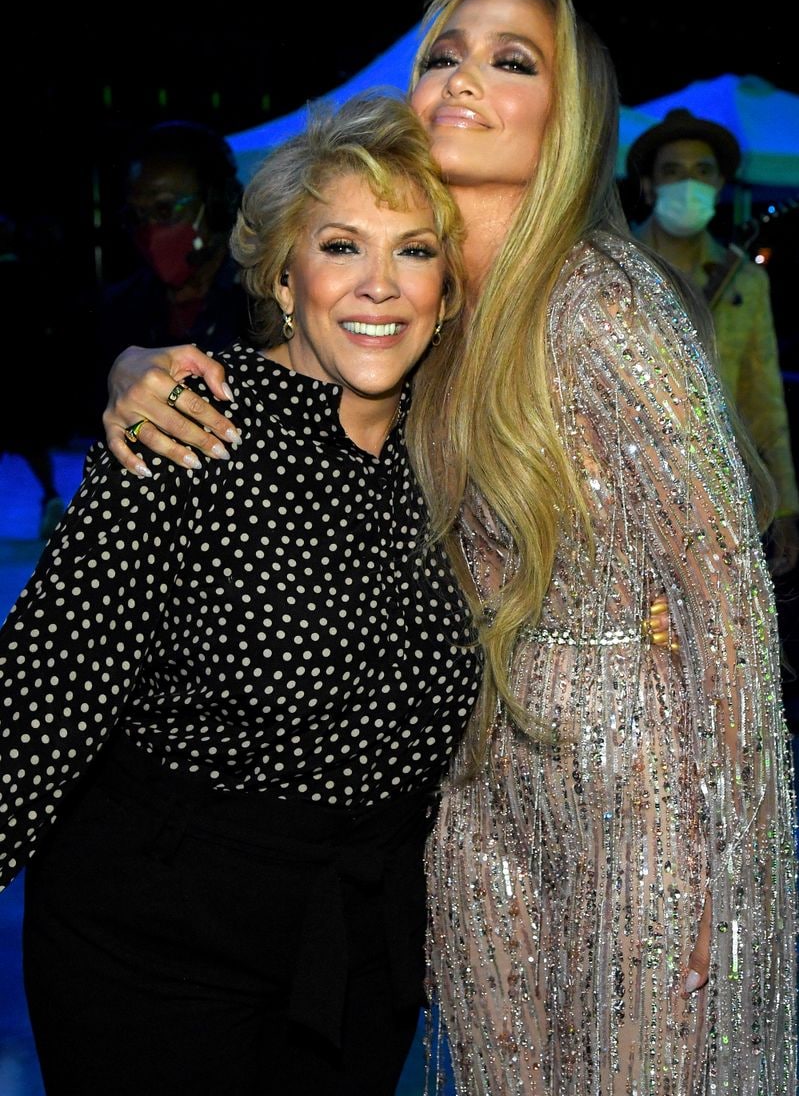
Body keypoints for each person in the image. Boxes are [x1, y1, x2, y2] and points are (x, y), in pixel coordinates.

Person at [98, 0, 798, 1094]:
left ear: (565, 117)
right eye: (443, 53)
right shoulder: (431, 308)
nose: (464, 74)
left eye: (510, 59)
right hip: (474, 800)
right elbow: (285, 380)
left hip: (631, 805)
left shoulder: (598, 298)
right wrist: (133, 366)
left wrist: (730, 881)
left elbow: (726, 581)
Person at [0, 93, 486, 1096]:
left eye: (416, 252)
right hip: (157, 940)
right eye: (343, 245)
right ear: (281, 271)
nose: (380, 287)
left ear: (448, 292)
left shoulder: (463, 456)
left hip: (359, 944)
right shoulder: (191, 416)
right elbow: (44, 690)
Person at [626, 107, 799, 578]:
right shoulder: (612, 270)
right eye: (672, 171)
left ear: (719, 185)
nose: (689, 183)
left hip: (718, 502)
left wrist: (783, 505)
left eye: (702, 171)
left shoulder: (744, 281)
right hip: (624, 501)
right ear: (649, 185)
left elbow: (764, 399)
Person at [90, 118, 250, 428]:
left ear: (216, 205)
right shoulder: (119, 307)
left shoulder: (263, 302)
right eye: (138, 215)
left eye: (165, 210)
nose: (149, 230)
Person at [0, 212, 66, 538]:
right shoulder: (30, 275)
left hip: (14, 371)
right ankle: (51, 495)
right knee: (32, 444)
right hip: (24, 374)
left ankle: (52, 497)